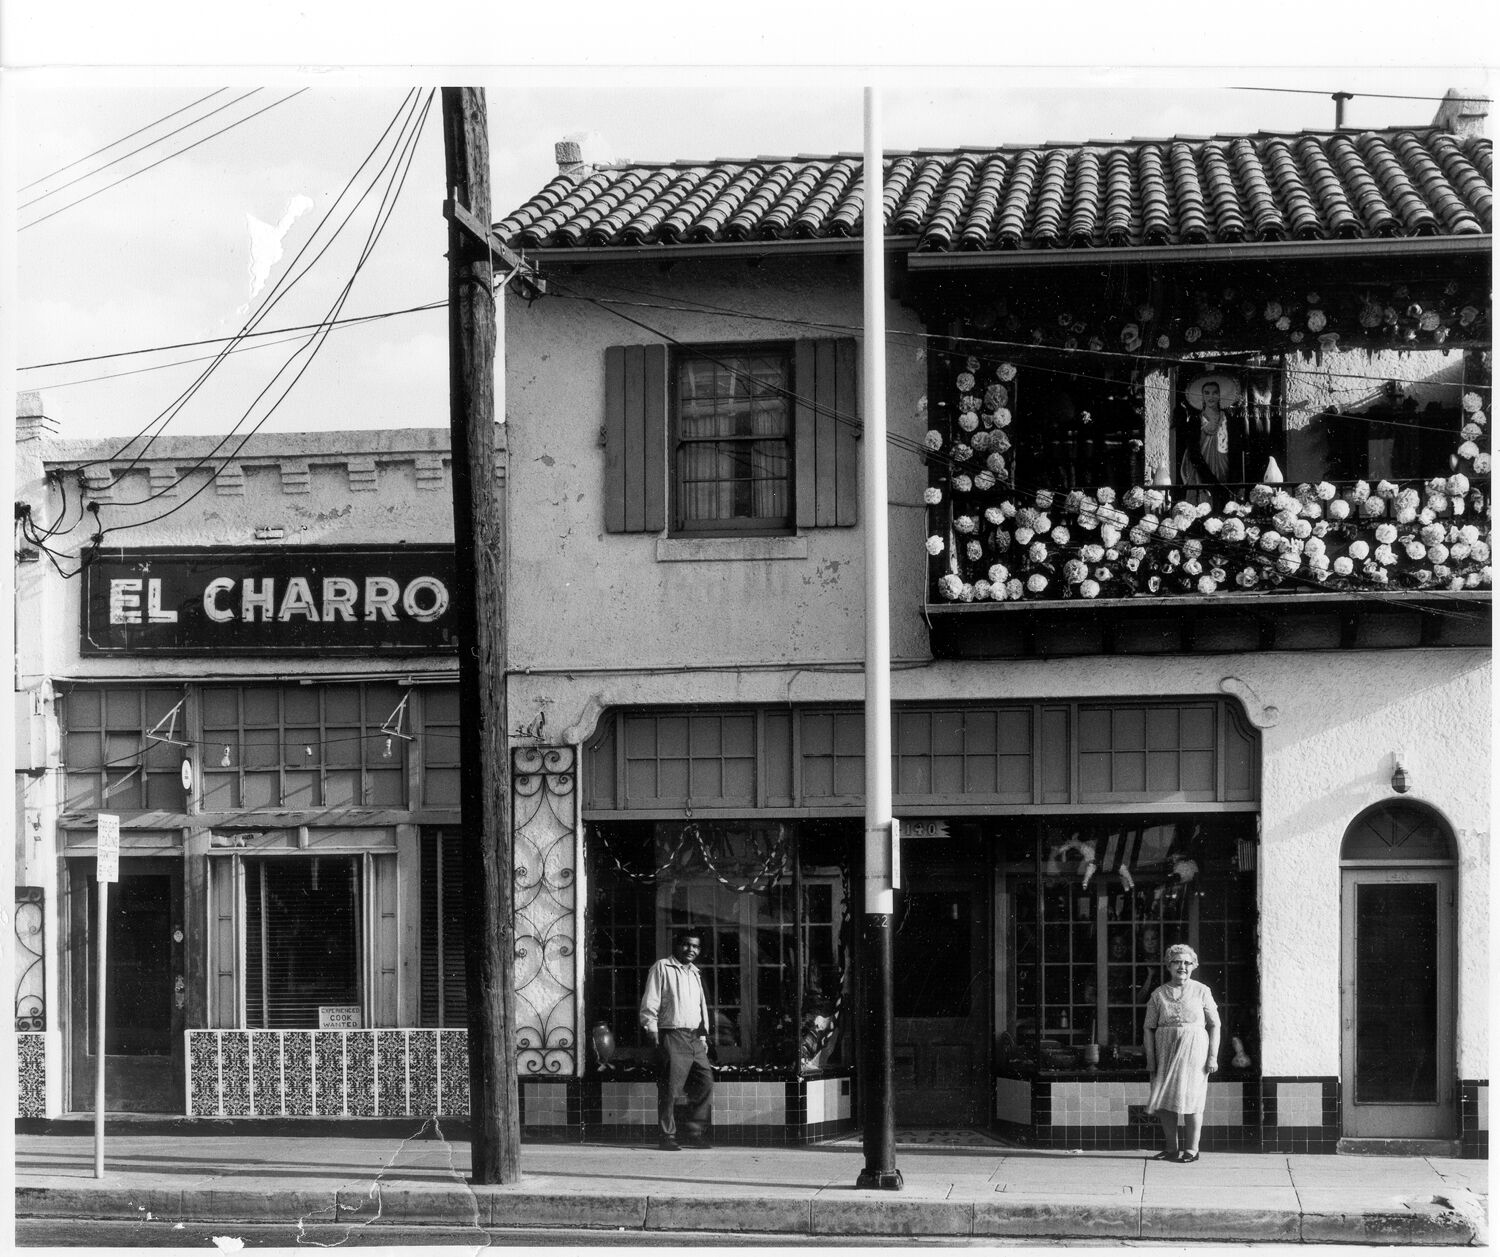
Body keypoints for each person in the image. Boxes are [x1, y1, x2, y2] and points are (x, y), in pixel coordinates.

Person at [1143, 943, 1220, 1163]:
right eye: (1177, 962)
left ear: (1194, 966)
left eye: (1187, 962)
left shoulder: (1202, 991)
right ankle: (1171, 1148)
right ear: (1168, 965)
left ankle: (1192, 1149)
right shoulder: (1158, 994)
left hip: (1194, 1051)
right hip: (1165, 1051)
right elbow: (1148, 1027)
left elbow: (1215, 1024)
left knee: (1192, 1099)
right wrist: (1151, 1060)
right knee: (1165, 1101)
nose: (1182, 967)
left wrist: (1212, 1056)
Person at [639, 928, 714, 1151]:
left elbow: (700, 1006)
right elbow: (651, 1000)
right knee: (670, 1088)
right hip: (672, 1034)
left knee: (705, 1082)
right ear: (677, 945)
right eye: (686, 944)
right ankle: (667, 1135)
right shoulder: (662, 967)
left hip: (695, 1037)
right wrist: (651, 1028)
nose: (691, 949)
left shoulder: (695, 973)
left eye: (695, 946)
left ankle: (694, 1132)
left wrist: (703, 1035)